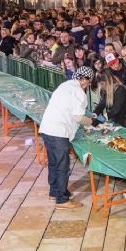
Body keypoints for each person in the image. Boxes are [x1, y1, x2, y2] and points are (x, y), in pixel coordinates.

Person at [39, 66, 98, 209]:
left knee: (53, 163)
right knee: (62, 166)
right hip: (59, 131)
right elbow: (78, 117)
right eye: (88, 82)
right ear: (83, 79)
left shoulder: (65, 85)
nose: (88, 85)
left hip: (47, 128)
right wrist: (92, 122)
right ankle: (62, 200)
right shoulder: (79, 92)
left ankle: (55, 192)